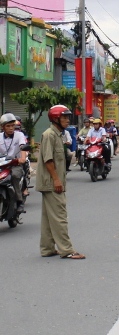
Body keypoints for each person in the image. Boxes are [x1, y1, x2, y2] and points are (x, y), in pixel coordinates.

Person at [37, 105, 85, 259]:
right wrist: (57, 180)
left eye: (67, 117)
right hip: (52, 182)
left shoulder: (58, 134)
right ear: (55, 119)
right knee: (60, 216)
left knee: (48, 217)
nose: (67, 120)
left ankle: (47, 248)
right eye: (64, 117)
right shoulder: (49, 135)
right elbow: (48, 160)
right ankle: (67, 250)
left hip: (51, 182)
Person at [0, 113, 28, 212]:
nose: (11, 128)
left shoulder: (19, 135)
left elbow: (22, 146)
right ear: (2, 127)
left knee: (15, 176)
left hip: (15, 164)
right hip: (2, 165)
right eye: (8, 126)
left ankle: (20, 201)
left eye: (12, 126)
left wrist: (22, 158)